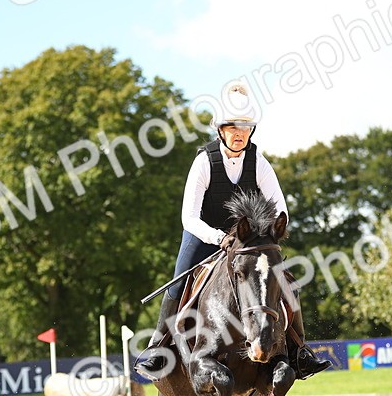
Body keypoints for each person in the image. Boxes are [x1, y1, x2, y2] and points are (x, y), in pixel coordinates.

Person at [135, 83, 331, 380]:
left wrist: (265, 233)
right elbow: (188, 216)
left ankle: (300, 351)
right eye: (234, 126)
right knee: (179, 279)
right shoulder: (204, 162)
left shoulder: (259, 163)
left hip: (248, 241)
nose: (240, 132)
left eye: (246, 127)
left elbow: (282, 210)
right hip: (204, 235)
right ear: (221, 129)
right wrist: (218, 237)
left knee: (286, 281)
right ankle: (157, 346)